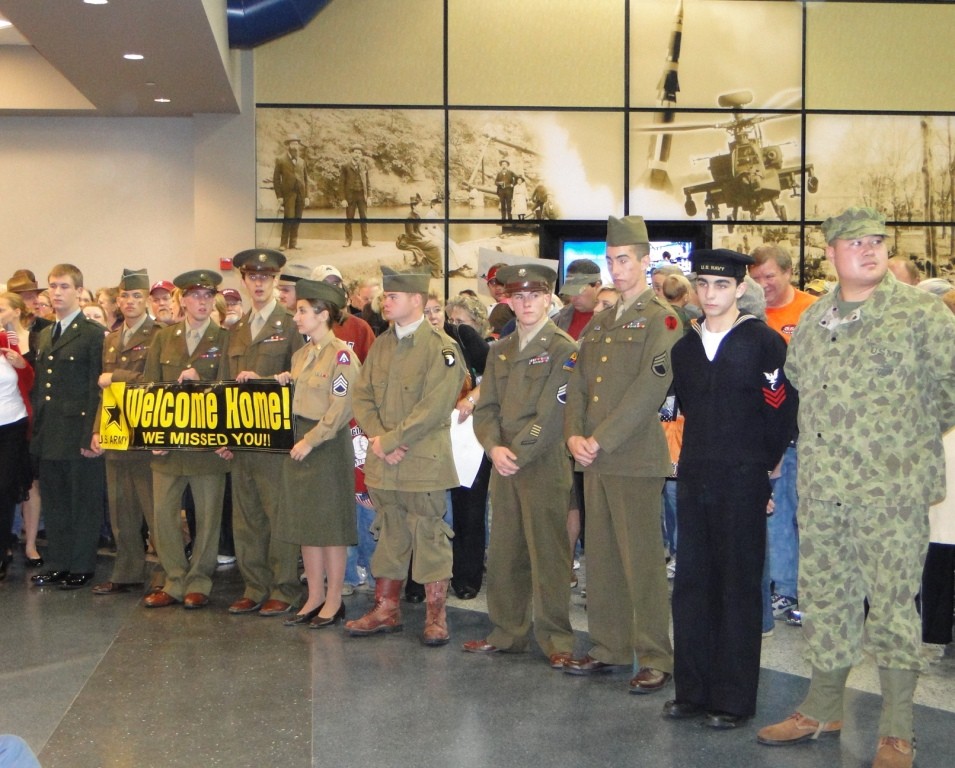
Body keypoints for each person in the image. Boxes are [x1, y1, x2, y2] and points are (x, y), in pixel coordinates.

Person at [756, 208, 955, 768]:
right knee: (825, 599)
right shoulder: (815, 319)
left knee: (892, 607)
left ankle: (897, 727)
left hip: (891, 490)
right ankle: (822, 705)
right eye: (855, 242)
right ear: (832, 253)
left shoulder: (921, 314)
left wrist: (901, 439)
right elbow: (799, 391)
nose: (868, 250)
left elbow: (950, 390)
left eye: (876, 241)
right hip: (823, 490)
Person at [663, 249, 796, 729]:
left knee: (738, 586)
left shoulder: (762, 343)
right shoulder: (685, 348)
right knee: (693, 584)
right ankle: (692, 691)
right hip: (695, 475)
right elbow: (681, 409)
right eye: (703, 285)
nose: (710, 294)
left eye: (721, 286)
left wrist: (763, 467)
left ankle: (733, 698)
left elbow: (780, 408)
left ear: (741, 289)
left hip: (742, 477)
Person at [563, 215, 680, 694]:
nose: (616, 267)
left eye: (624, 259)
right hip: (593, 459)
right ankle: (608, 646)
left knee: (642, 561)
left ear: (646, 262)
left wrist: (599, 439)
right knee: (605, 559)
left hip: (632, 456)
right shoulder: (602, 321)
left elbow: (651, 387)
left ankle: (655, 654)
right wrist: (574, 436)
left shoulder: (663, 318)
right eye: (611, 260)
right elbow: (577, 382)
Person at [463, 263, 577, 668]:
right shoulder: (501, 350)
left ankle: (556, 639)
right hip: (504, 463)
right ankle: (506, 632)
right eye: (519, 296)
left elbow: (553, 412)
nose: (527, 303)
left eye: (535, 295)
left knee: (549, 554)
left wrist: (516, 452)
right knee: (506, 551)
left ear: (548, 298)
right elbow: (486, 407)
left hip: (542, 464)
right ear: (509, 301)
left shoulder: (563, 347)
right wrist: (494, 448)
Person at [346, 267, 465, 646]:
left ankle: (436, 616)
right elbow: (361, 395)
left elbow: (434, 408)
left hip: (423, 463)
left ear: (416, 300)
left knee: (430, 536)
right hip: (386, 461)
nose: (386, 301)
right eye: (385, 296)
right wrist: (380, 438)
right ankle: (386, 609)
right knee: (390, 534)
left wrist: (393, 439)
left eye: (394, 296)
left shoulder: (442, 348)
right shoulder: (382, 345)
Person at [142, 270, 231, 609]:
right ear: (183, 300)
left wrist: (227, 437)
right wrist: (152, 433)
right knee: (164, 516)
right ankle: (174, 578)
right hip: (167, 447)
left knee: (208, 517)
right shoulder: (164, 338)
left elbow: (231, 392)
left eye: (208, 297)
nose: (202, 302)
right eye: (195, 296)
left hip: (208, 447)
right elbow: (149, 388)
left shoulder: (225, 339)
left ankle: (200, 580)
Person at [224, 249, 304, 617]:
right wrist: (223, 434)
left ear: (275, 281)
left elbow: (302, 380)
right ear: (243, 280)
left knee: (278, 516)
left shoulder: (291, 325)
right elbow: (225, 385)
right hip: (242, 440)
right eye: (252, 277)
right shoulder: (236, 329)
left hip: (275, 441)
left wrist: (268, 381)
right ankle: (253, 585)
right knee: (247, 517)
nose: (258, 283)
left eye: (265, 277)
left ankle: (283, 587)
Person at [275, 279, 360, 628]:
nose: (297, 317)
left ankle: (335, 599)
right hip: (300, 443)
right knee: (306, 526)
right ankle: (314, 595)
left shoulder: (342, 354)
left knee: (330, 528)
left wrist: (311, 440)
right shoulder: (301, 354)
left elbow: (341, 407)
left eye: (303, 311)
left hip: (324, 446)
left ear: (323, 315)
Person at [748, 244, 818, 627]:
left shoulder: (812, 310)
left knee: (807, 514)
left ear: (789, 273)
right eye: (756, 279)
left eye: (769, 277)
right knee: (778, 510)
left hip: (808, 429)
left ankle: (807, 589)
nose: (763, 285)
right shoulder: (747, 314)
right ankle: (785, 587)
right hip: (766, 432)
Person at [29, 264, 106, 590]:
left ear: (78, 290)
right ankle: (58, 561)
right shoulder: (46, 334)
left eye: (63, 286)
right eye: (52, 287)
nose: (57, 293)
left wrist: (93, 431)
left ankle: (82, 564)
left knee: (83, 501)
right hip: (50, 431)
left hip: (78, 430)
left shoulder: (91, 333)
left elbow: (95, 387)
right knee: (56, 500)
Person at [89, 269, 161, 596]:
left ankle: (165, 576)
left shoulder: (159, 334)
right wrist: (97, 429)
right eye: (124, 296)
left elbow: (153, 380)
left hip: (145, 431)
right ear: (117, 300)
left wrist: (116, 375)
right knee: (121, 511)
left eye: (136, 295)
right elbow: (105, 395)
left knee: (155, 511)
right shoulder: (111, 338)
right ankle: (127, 571)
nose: (129, 301)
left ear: (145, 299)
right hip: (117, 430)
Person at [424, 291, 491, 601]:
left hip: (466, 432)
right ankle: (420, 581)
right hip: (428, 433)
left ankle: (467, 577)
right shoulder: (405, 343)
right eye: (429, 311)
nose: (435, 317)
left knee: (469, 508)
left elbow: (496, 373)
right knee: (425, 509)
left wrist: (472, 398)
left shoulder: (462, 336)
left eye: (438, 310)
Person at [0, 326, 33, 580]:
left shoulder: (5, 340)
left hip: (12, 425)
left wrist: (21, 365)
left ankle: (2, 549)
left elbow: (29, 380)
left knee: (5, 489)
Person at [273, 135, 309, 251]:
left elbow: (305, 179)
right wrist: (279, 196)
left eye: (296, 144)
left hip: (301, 193)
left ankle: (293, 243)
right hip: (288, 194)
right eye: (293, 144)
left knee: (297, 218)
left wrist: (307, 196)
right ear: (288, 146)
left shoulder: (302, 161)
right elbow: (276, 179)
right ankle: (283, 243)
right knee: (288, 217)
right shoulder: (280, 160)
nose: (295, 146)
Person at [340, 145, 373, 248]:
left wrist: (369, 197)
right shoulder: (345, 166)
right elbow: (341, 183)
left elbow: (368, 182)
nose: (357, 155)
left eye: (359, 153)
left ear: (361, 155)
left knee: (364, 218)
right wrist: (343, 198)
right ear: (352, 154)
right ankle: (348, 240)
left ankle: (365, 241)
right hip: (350, 196)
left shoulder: (364, 166)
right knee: (349, 218)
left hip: (362, 195)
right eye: (355, 152)